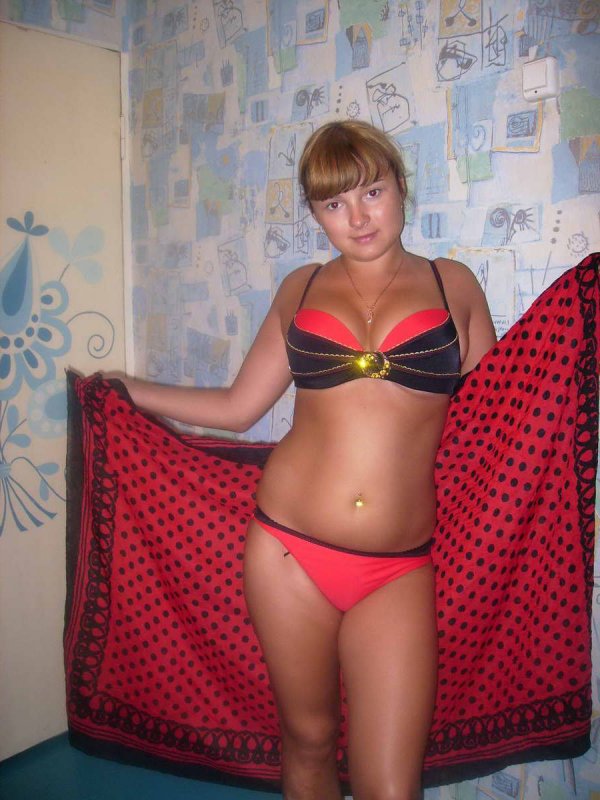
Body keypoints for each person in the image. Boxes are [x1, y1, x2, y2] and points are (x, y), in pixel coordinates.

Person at [114, 120, 497, 800]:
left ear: (401, 187)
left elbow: (495, 418)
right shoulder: (301, 286)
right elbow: (239, 407)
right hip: (289, 552)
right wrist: (123, 389)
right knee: (310, 741)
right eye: (333, 203)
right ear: (316, 213)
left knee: (391, 786)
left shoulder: (454, 284)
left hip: (398, 568)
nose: (358, 218)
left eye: (372, 192)